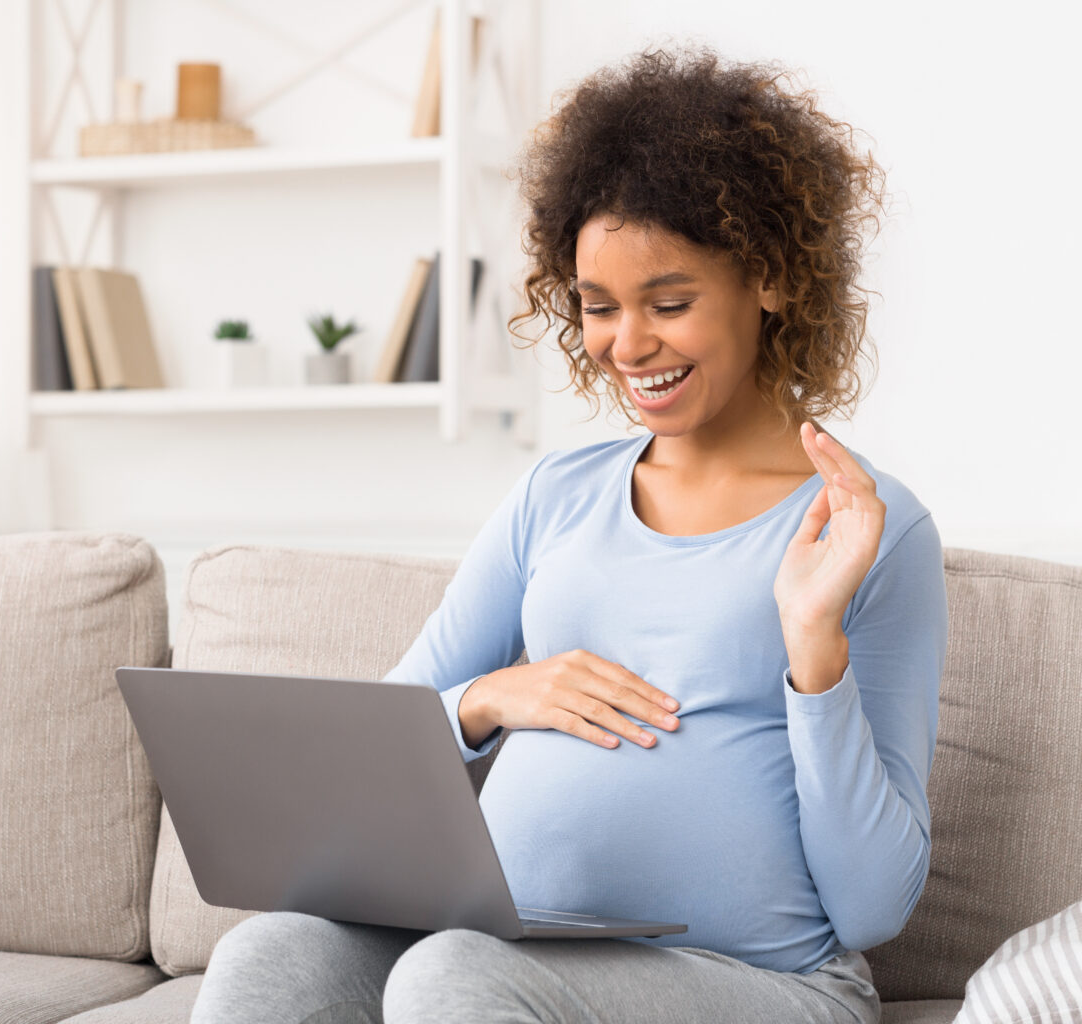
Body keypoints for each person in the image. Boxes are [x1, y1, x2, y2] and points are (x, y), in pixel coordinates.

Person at [190, 45, 947, 1024]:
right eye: (599, 308)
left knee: (454, 976)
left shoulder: (870, 531)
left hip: (770, 984)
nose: (627, 345)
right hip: (519, 951)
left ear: (768, 278)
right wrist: (490, 698)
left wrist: (816, 653)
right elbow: (373, 754)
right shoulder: (556, 495)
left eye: (669, 303)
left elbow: (873, 902)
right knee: (271, 956)